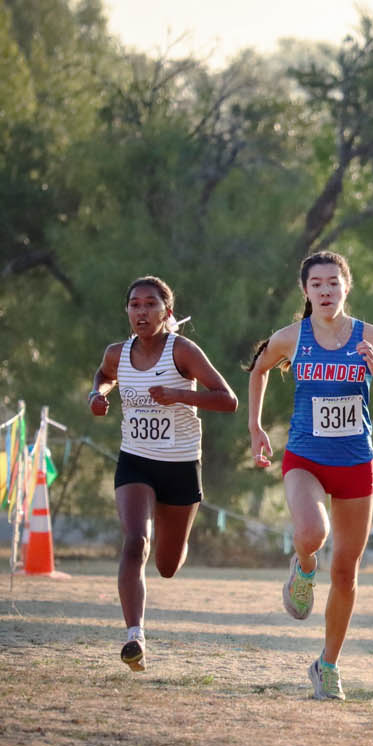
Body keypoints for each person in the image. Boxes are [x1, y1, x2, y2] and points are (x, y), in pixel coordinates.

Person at [247, 251, 373, 700]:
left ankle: (328, 664)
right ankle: (303, 566)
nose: (325, 291)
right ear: (305, 291)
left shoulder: (371, 337)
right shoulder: (291, 337)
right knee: (312, 533)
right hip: (306, 459)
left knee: (346, 572)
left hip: (356, 465)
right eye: (316, 283)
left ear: (346, 287)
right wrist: (256, 427)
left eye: (333, 283)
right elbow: (258, 369)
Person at [88, 276, 238, 671]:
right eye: (135, 304)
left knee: (167, 565)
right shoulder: (116, 353)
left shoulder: (182, 351)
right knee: (136, 541)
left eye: (150, 304)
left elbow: (228, 400)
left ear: (166, 312)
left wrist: (181, 395)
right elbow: (103, 377)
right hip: (135, 459)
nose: (142, 312)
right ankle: (134, 634)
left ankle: (177, 542)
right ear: (127, 311)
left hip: (181, 464)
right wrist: (97, 396)